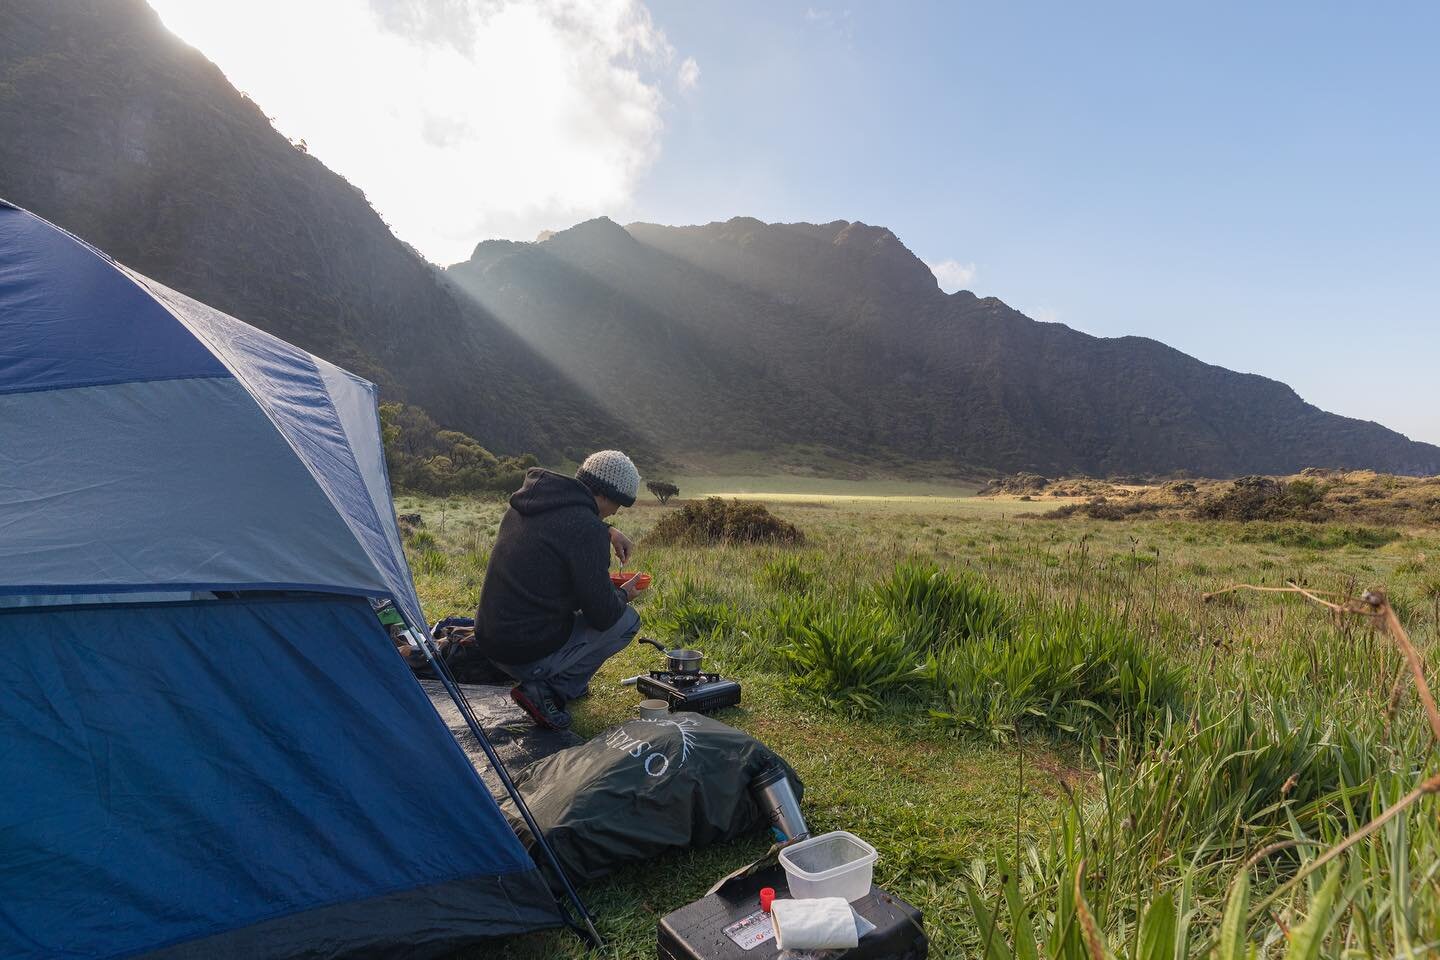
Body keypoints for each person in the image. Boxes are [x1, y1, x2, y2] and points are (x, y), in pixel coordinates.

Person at [475, 450, 645, 729]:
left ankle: (568, 686)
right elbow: (603, 615)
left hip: (490, 640)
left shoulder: (527, 503)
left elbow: (560, 531)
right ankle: (551, 691)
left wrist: (607, 530)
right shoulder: (585, 530)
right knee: (626, 620)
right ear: (607, 495)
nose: (616, 512)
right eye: (618, 505)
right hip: (523, 652)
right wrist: (625, 593)